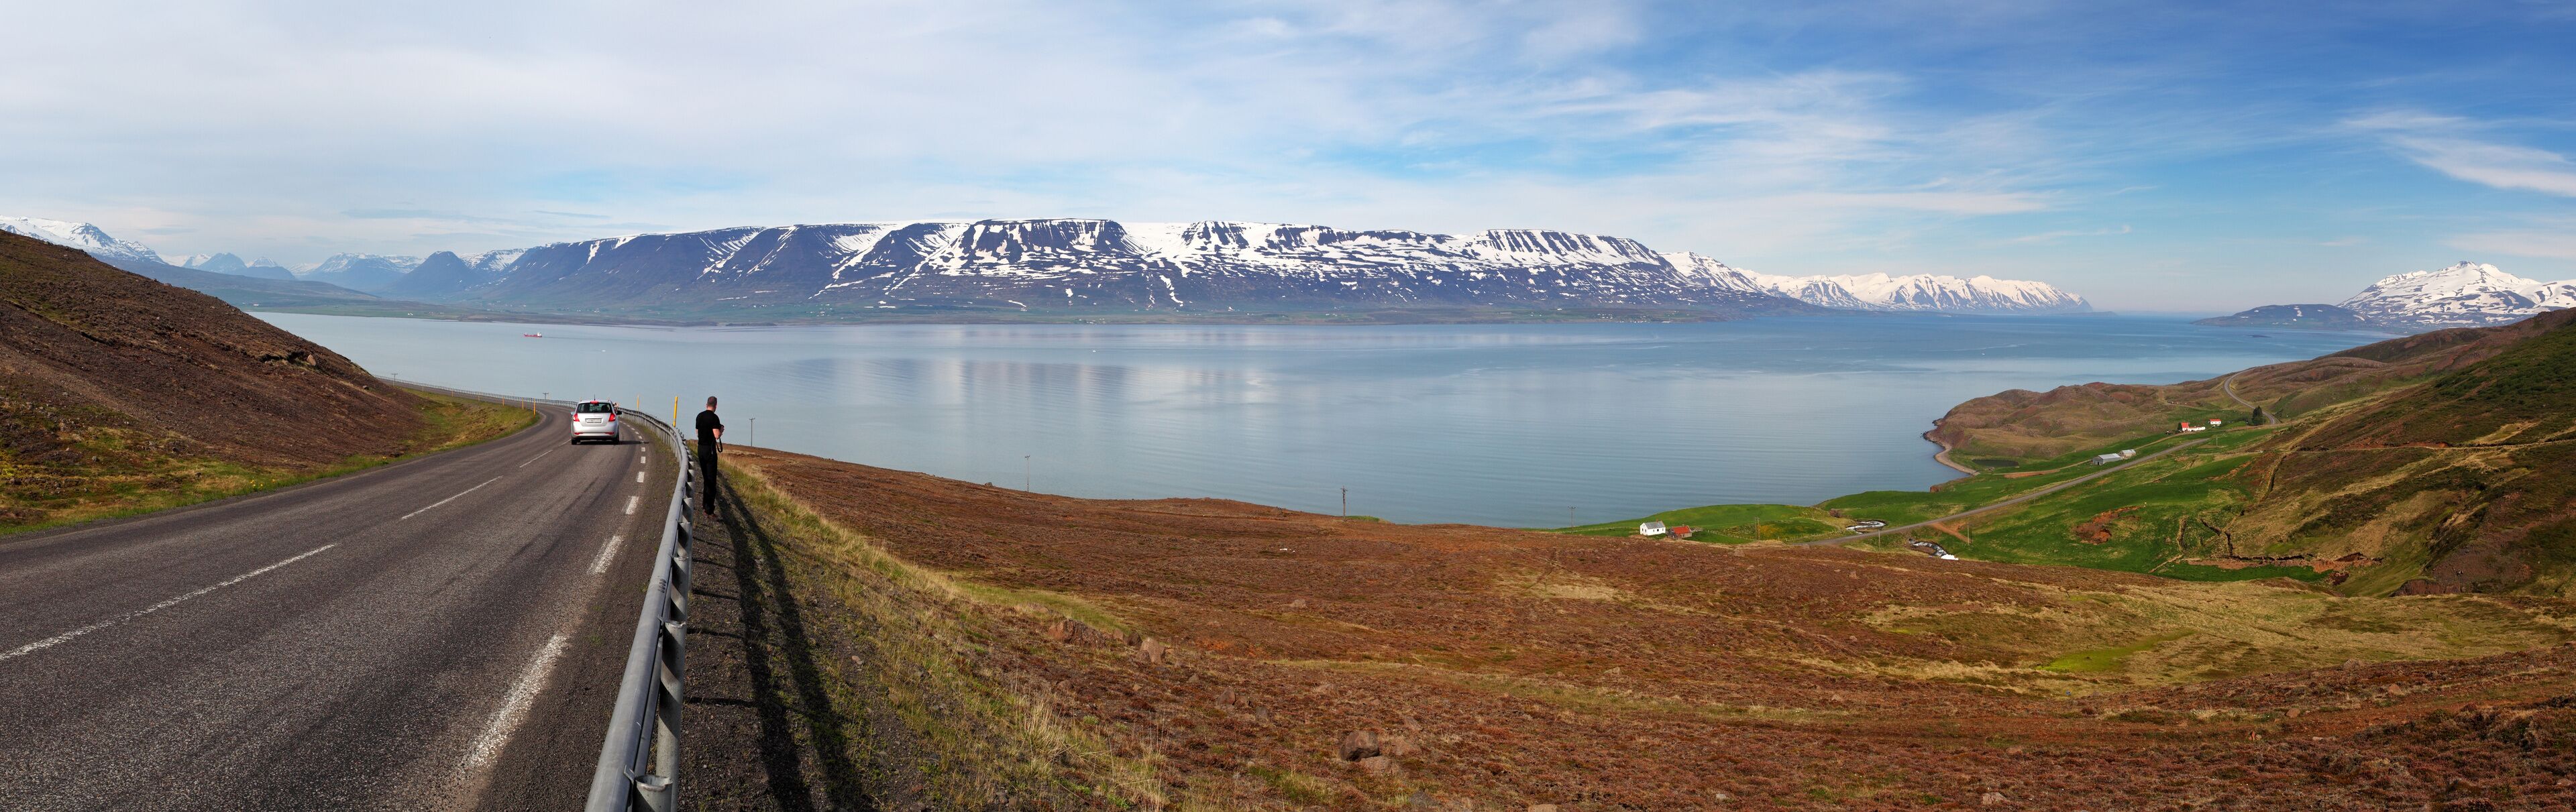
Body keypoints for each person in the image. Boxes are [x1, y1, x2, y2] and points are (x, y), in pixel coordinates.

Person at [694, 396, 724, 486]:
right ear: (716, 406)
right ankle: (709, 495)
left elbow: (697, 433)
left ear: (706, 405)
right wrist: (721, 431)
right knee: (711, 479)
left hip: (700, 449)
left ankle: (705, 494)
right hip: (710, 451)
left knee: (705, 477)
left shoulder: (699, 416)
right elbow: (717, 435)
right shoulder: (714, 418)